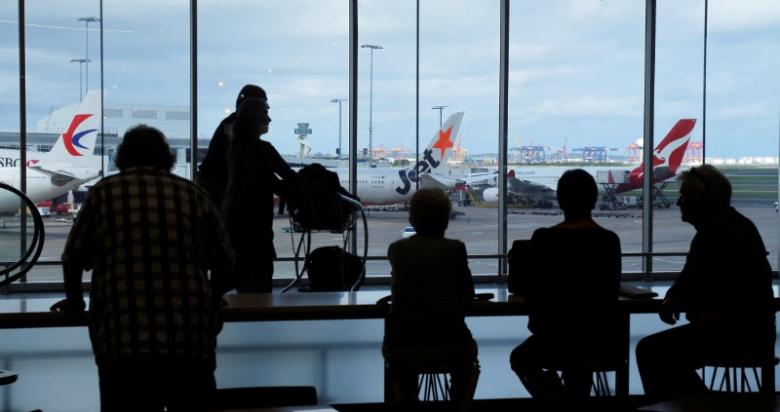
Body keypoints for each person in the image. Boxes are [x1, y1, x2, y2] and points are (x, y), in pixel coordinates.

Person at [51, 125, 234, 412]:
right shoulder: (194, 194)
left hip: (123, 343)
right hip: (189, 343)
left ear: (122, 157)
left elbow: (73, 258)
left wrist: (75, 302)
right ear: (167, 158)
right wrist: (212, 299)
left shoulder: (103, 194)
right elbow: (225, 260)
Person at [636, 164, 774, 402]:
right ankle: (698, 403)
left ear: (702, 200)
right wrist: (678, 295)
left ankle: (697, 404)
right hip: (751, 333)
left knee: (651, 352)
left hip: (733, 333)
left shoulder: (716, 234)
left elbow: (694, 282)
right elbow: (693, 280)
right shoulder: (732, 226)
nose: (679, 202)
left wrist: (677, 298)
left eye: (685, 196)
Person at [510, 169, 622, 399]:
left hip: (553, 340)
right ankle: (572, 403)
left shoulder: (543, 238)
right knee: (581, 358)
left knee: (521, 359)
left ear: (560, 201)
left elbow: (528, 287)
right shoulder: (609, 240)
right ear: (593, 200)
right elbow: (609, 291)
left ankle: (558, 401)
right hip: (598, 340)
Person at [382, 187, 480, 411]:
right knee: (465, 361)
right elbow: (467, 297)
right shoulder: (456, 249)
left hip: (404, 344)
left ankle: (406, 402)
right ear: (446, 219)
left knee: (401, 365)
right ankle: (459, 404)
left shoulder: (397, 250)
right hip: (449, 340)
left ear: (412, 219)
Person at [221, 96, 302, 292]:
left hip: (234, 220)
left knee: (242, 280)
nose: (269, 119)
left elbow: (270, 181)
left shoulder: (235, 147)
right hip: (255, 224)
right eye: (265, 112)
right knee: (260, 279)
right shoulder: (262, 149)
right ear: (254, 118)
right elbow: (287, 177)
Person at [197, 84, 267, 207]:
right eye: (262, 109)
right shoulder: (233, 126)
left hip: (213, 184)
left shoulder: (231, 123)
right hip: (217, 186)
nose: (266, 116)